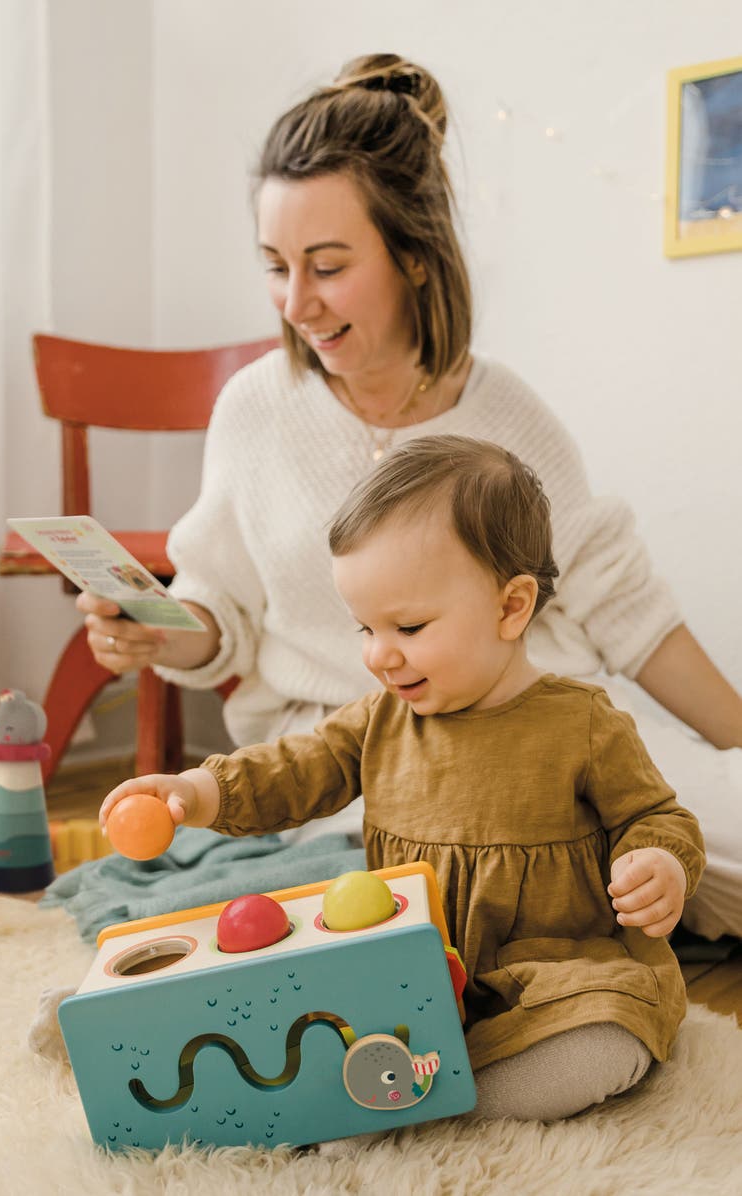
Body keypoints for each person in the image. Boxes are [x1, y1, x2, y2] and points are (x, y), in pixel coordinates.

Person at [77, 52, 741, 940]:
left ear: (416, 256)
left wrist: (737, 745)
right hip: (361, 757)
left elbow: (626, 606)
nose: (296, 303)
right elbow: (219, 604)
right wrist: (157, 626)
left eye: (328, 265)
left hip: (541, 724)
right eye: (276, 266)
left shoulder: (506, 413)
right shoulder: (254, 410)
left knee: (699, 839)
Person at [99, 436, 705, 1122]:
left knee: (604, 1039)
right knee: (288, 1004)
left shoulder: (583, 723)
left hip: (555, 971)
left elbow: (654, 816)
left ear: (511, 608)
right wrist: (200, 792)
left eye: (409, 626)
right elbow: (296, 767)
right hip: (407, 969)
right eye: (364, 627)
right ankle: (133, 1035)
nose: (379, 654)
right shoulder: (380, 720)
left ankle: (437, 1104)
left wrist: (657, 863)